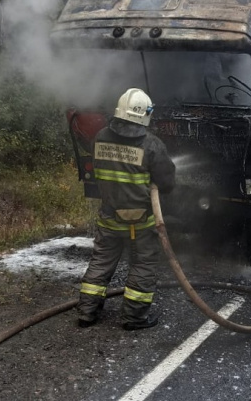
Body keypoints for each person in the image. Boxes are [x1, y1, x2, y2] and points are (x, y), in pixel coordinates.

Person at [77, 88, 176, 330]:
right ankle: (133, 318)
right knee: (142, 266)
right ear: (145, 114)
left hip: (109, 216)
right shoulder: (152, 145)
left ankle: (87, 313)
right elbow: (167, 184)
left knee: (101, 263)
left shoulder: (99, 137)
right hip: (140, 222)